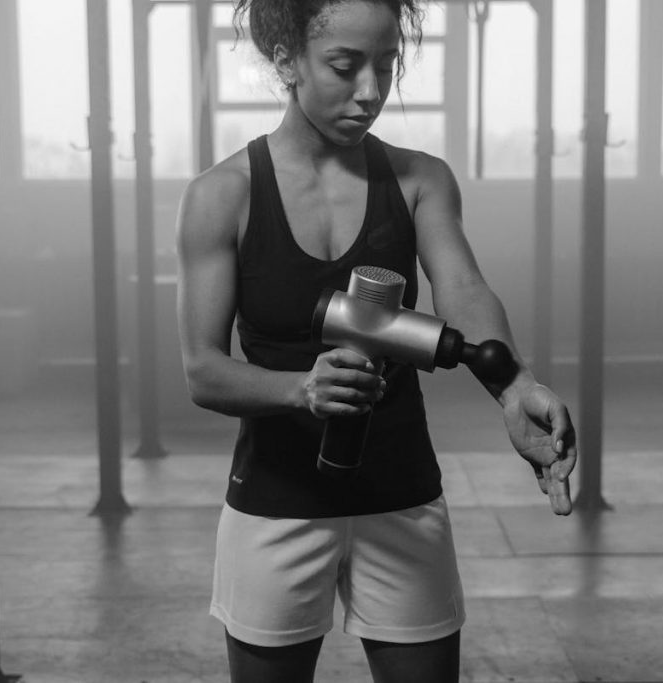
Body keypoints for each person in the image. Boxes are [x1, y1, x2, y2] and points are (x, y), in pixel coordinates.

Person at [176, 1, 577, 680]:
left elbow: (465, 290)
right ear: (285, 62)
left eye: (386, 64)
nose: (370, 90)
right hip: (276, 502)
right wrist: (300, 388)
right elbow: (203, 371)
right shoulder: (224, 195)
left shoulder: (420, 180)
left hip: (402, 491)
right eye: (344, 65)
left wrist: (514, 384)